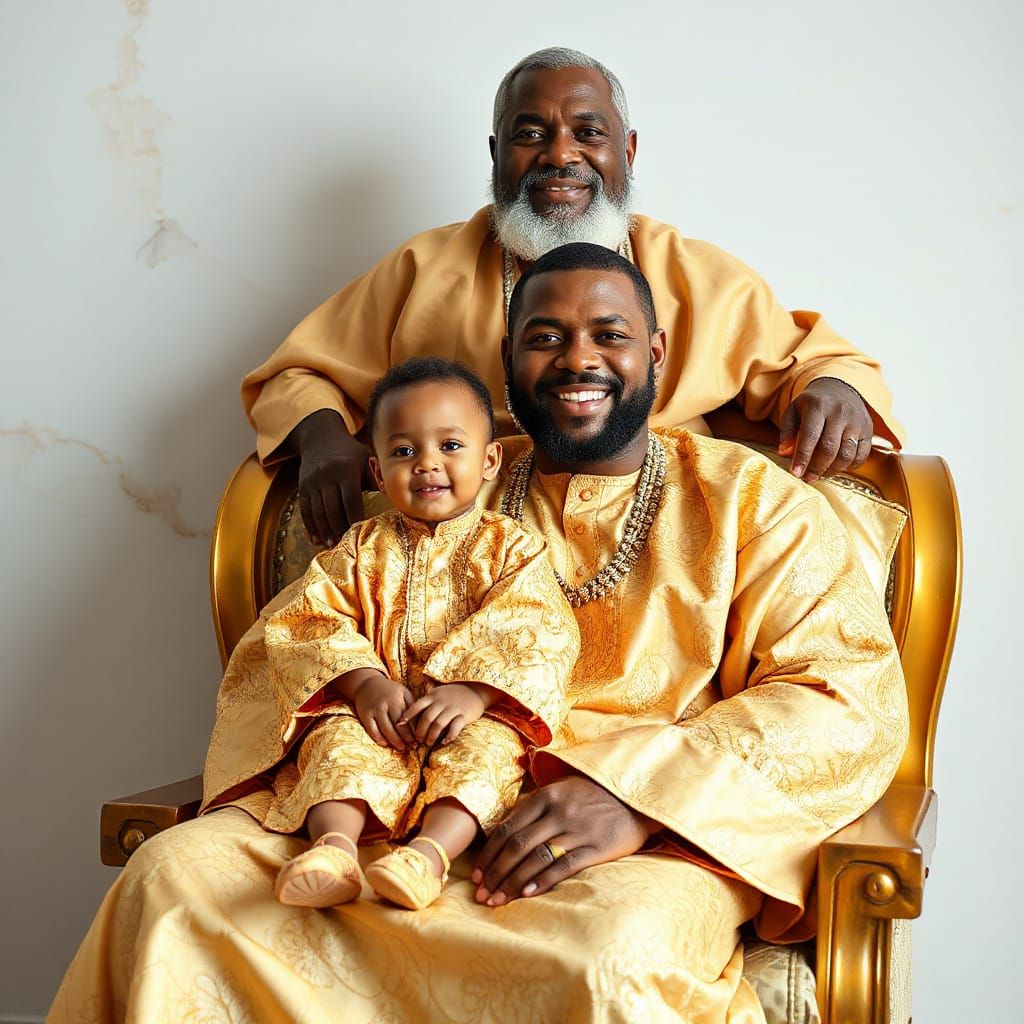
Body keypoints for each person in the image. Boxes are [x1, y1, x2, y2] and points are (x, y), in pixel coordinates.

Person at [49, 247, 907, 1023]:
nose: (577, 359)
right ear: (509, 363)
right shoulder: (445, 484)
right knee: (170, 881)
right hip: (396, 809)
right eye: (545, 337)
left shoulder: (755, 503)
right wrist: (364, 707)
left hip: (634, 844)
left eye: (609, 333)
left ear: (658, 356)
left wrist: (636, 800)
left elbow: (842, 696)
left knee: (615, 959)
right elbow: (297, 636)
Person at [242, 46, 906, 549]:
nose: (561, 155)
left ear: (628, 150)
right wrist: (324, 438)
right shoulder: (424, 268)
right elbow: (301, 373)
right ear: (498, 152)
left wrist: (834, 390)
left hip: (659, 546)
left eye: (588, 132)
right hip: (470, 548)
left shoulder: (692, 272)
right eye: (532, 134)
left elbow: (814, 363)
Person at [203, 358, 579, 912]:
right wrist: (361, 684)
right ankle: (334, 850)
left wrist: (474, 692)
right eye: (404, 452)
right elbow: (306, 620)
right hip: (376, 718)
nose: (427, 464)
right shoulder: (357, 551)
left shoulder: (513, 550)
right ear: (378, 474)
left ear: (490, 459)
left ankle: (427, 857)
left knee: (493, 750)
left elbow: (536, 628)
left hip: (466, 717)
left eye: (451, 446)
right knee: (333, 740)